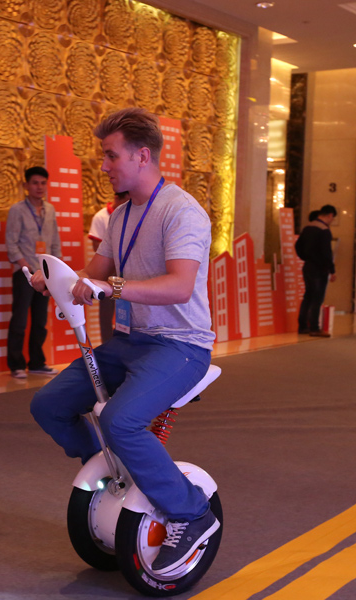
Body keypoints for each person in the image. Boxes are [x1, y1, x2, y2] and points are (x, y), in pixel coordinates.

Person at [28, 108, 220, 574]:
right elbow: (91, 275)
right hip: (128, 342)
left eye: (111, 156)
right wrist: (53, 280)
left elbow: (179, 286)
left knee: (121, 420)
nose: (104, 165)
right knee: (49, 405)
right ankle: (109, 467)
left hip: (180, 346)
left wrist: (110, 287)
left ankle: (192, 513)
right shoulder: (120, 216)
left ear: (142, 156)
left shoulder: (181, 211)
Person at [5, 166, 61, 379]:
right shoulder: (17, 210)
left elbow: (55, 241)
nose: (39, 187)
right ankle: (16, 364)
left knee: (40, 320)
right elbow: (11, 243)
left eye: (43, 183)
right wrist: (26, 268)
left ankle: (37, 362)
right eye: (35, 183)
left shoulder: (50, 210)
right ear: (26, 185)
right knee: (19, 319)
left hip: (45, 274)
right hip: (24, 273)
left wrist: (54, 268)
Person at [88, 191, 130, 344]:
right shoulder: (101, 216)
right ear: (117, 197)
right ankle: (106, 344)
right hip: (109, 272)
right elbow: (96, 246)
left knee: (129, 312)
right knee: (106, 312)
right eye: (127, 200)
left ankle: (127, 345)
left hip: (129, 272)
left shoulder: (132, 214)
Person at [295, 204, 337, 337]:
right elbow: (327, 253)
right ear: (330, 215)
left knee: (308, 296)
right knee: (317, 298)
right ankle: (314, 327)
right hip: (320, 269)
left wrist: (305, 257)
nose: (332, 220)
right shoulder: (324, 230)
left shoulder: (307, 228)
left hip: (308, 266)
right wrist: (332, 270)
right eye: (333, 218)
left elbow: (298, 246)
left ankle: (302, 326)